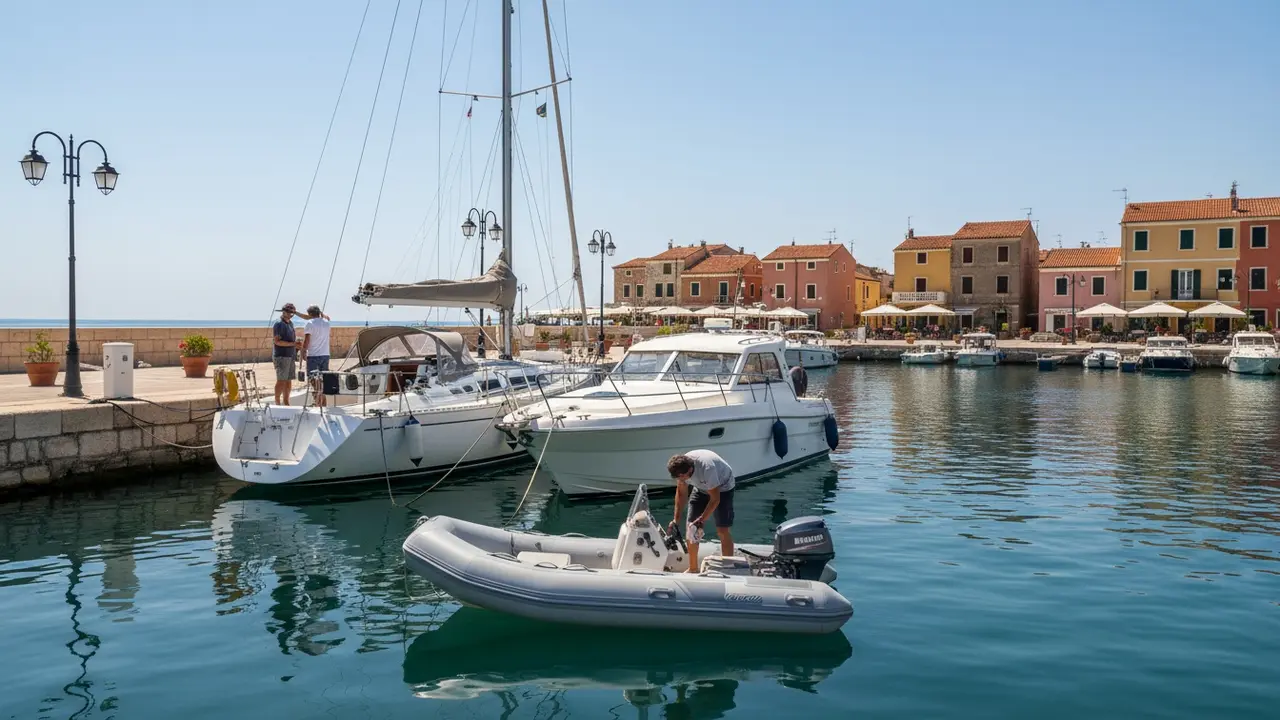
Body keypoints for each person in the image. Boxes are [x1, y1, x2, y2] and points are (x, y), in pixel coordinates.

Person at [667, 449, 736, 573]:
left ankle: (728, 566)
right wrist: (676, 520)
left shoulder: (707, 468)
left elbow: (715, 499)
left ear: (689, 470)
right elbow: (681, 494)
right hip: (700, 489)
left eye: (682, 477)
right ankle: (693, 568)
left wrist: (702, 519)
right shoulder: (681, 469)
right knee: (691, 528)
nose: (681, 480)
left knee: (722, 529)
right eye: (678, 478)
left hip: (723, 488)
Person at [301, 304, 332, 406]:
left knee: (314, 381)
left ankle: (317, 403)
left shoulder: (310, 324)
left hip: (313, 355)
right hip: (325, 355)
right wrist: (321, 313)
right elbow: (327, 317)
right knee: (322, 381)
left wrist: (303, 351)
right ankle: (323, 404)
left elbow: (307, 340)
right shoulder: (326, 323)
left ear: (310, 314)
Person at [271, 304, 302, 405]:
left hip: (290, 356)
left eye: (292, 312)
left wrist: (296, 344)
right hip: (281, 356)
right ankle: (277, 402)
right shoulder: (279, 324)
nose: (290, 314)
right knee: (281, 380)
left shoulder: (291, 324)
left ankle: (286, 402)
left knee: (288, 380)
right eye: (288, 312)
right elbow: (277, 342)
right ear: (283, 312)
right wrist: (293, 344)